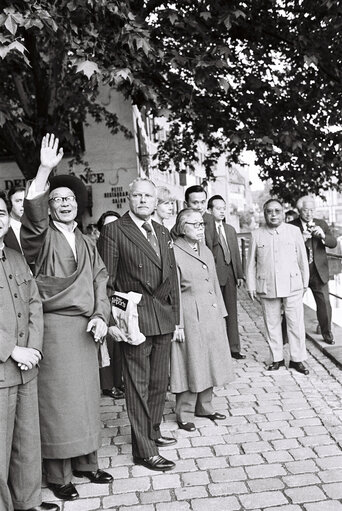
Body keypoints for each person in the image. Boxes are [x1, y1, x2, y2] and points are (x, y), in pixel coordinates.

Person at [20, 134, 112, 502]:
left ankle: (87, 463)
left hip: (86, 330)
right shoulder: (39, 239)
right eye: (57, 200)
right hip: (54, 330)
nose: (64, 204)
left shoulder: (89, 241)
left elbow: (102, 281)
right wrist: (44, 170)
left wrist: (102, 315)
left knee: (88, 400)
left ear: (80, 205)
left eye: (70, 199)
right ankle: (58, 474)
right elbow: (33, 215)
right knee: (57, 402)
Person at [98, 177, 180, 472]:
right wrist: (111, 320)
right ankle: (144, 451)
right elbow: (104, 282)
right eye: (137, 195)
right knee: (137, 385)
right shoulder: (114, 230)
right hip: (135, 319)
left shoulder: (160, 230)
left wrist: (176, 319)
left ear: (156, 202)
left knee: (159, 382)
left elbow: (171, 279)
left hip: (162, 317)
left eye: (149, 196)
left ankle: (153, 431)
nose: (143, 200)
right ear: (128, 199)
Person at [0, 191, 59, 511]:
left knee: (26, 441)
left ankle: (27, 501)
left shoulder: (16, 256)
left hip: (26, 366)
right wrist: (12, 350)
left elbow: (35, 303)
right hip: (4, 367)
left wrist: (33, 348)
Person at [170, 209, 234, 432]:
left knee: (210, 359)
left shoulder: (204, 249)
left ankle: (205, 406)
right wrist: (176, 324)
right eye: (194, 224)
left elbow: (214, 282)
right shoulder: (174, 251)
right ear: (181, 227)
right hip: (188, 315)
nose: (200, 228)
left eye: (201, 224)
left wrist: (221, 312)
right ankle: (185, 412)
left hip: (210, 312)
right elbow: (173, 291)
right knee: (191, 362)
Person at [246, 198, 310, 375]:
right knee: (271, 323)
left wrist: (305, 282)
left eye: (277, 211)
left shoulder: (294, 231)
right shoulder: (257, 234)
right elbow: (251, 263)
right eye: (269, 211)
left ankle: (297, 360)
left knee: (295, 323)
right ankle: (277, 358)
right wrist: (251, 285)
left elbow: (302, 260)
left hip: (292, 284)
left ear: (283, 213)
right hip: (267, 286)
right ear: (264, 213)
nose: (273, 215)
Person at [291, 196, 337, 344]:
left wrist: (323, 236)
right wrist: (300, 239)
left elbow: (333, 243)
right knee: (292, 305)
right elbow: (285, 248)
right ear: (299, 211)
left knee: (324, 304)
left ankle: (327, 333)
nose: (309, 213)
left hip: (319, 272)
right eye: (305, 210)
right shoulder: (291, 226)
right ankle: (292, 336)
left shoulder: (321, 224)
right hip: (299, 273)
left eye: (312, 210)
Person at [207, 195, 245, 360]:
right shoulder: (206, 229)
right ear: (210, 210)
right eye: (218, 208)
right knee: (214, 313)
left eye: (224, 208)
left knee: (232, 312)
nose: (222, 211)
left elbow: (236, 253)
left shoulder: (229, 229)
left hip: (230, 274)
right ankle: (217, 349)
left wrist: (239, 274)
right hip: (214, 274)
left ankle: (234, 348)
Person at [96, 210, 124, 400]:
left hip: (121, 297)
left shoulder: (123, 245)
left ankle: (119, 381)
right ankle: (108, 385)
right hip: (104, 296)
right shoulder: (97, 247)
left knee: (120, 345)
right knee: (106, 343)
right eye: (108, 226)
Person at [184, 185, 218, 251]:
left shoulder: (210, 219)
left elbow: (215, 246)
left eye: (203, 202)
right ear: (186, 204)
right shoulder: (178, 227)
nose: (200, 207)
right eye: (195, 203)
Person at [4, 186, 25, 252]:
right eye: (18, 201)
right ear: (9, 204)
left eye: (26, 201)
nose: (23, 205)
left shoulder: (38, 227)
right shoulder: (3, 228)